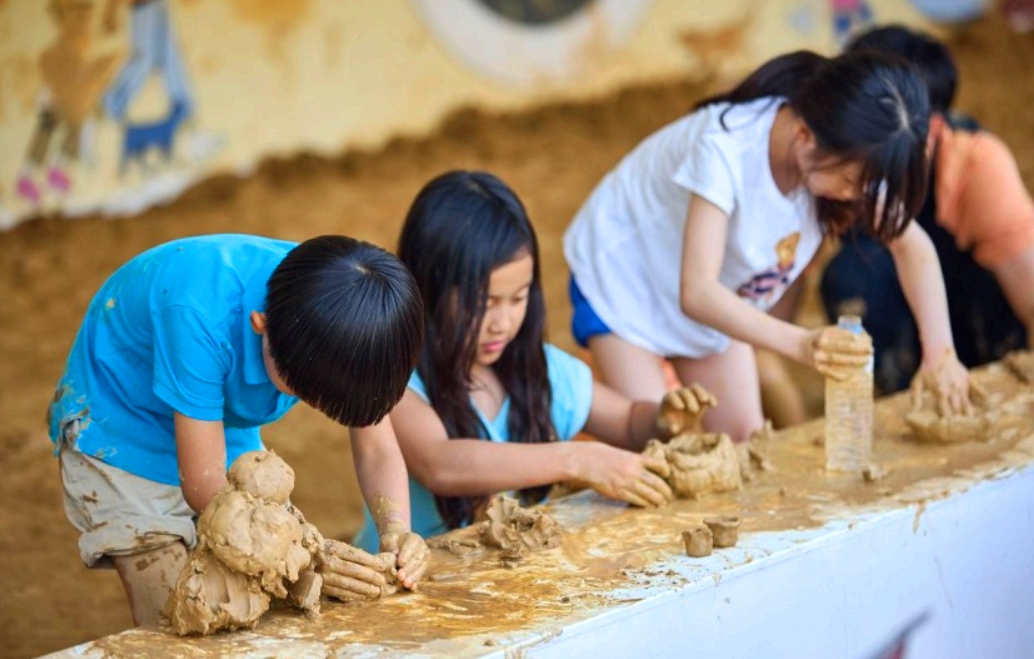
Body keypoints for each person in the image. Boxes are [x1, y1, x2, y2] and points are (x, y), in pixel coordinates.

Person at [563, 49, 974, 444]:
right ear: (805, 138)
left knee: (748, 442)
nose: (856, 197)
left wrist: (940, 352)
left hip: (715, 294)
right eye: (850, 182)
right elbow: (698, 291)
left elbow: (912, 245)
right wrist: (801, 343)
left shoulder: (855, 153)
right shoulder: (725, 149)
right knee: (660, 440)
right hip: (629, 279)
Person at [48, 233, 428, 625]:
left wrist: (396, 529)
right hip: (122, 423)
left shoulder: (350, 318)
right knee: (182, 612)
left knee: (266, 597)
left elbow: (377, 447)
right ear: (260, 326)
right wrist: (303, 558)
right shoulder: (201, 313)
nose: (309, 403)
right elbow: (204, 485)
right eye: (304, 392)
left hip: (216, 412)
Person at [353, 171, 715, 550]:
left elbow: (626, 422)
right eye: (483, 303)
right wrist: (577, 458)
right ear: (427, 286)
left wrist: (663, 419)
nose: (502, 323)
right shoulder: (393, 374)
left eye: (518, 298)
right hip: (409, 585)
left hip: (515, 587)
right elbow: (441, 464)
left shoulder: (542, 369)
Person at [820, 26, 1034, 396]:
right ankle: (903, 400)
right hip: (904, 335)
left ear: (931, 126)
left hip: (979, 333)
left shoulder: (976, 165)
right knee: (850, 276)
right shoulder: (836, 165)